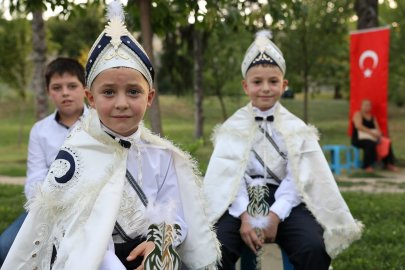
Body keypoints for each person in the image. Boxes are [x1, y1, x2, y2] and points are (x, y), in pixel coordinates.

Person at [2, 2, 220, 270]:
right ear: (91, 98)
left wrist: (160, 244)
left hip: (148, 248)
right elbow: (83, 233)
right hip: (95, 258)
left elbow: (171, 207)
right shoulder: (78, 153)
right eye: (108, 92)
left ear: (149, 97)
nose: (121, 103)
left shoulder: (160, 153)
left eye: (133, 92)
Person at [203, 30, 363, 270]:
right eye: (257, 82)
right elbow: (230, 177)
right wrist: (245, 215)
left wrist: (275, 215)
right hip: (239, 201)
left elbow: (299, 177)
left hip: (285, 199)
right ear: (246, 86)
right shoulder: (232, 127)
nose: (265, 88)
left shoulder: (296, 128)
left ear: (284, 84)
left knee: (313, 247)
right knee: (215, 248)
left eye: (273, 81)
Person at [0, 57, 88, 265]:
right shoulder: (40, 131)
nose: (65, 92)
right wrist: (49, 206)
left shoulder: (100, 124)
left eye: (72, 86)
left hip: (88, 208)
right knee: (5, 247)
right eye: (57, 87)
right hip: (47, 209)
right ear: (49, 93)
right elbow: (34, 179)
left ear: (86, 89)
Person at [351, 99, 398, 172]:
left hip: (372, 138)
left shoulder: (372, 117)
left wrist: (379, 135)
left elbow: (377, 129)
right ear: (361, 106)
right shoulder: (358, 114)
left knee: (386, 142)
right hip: (359, 139)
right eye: (366, 105)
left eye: (369, 105)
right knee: (369, 143)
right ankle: (366, 165)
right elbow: (358, 126)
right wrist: (372, 133)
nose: (367, 107)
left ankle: (388, 164)